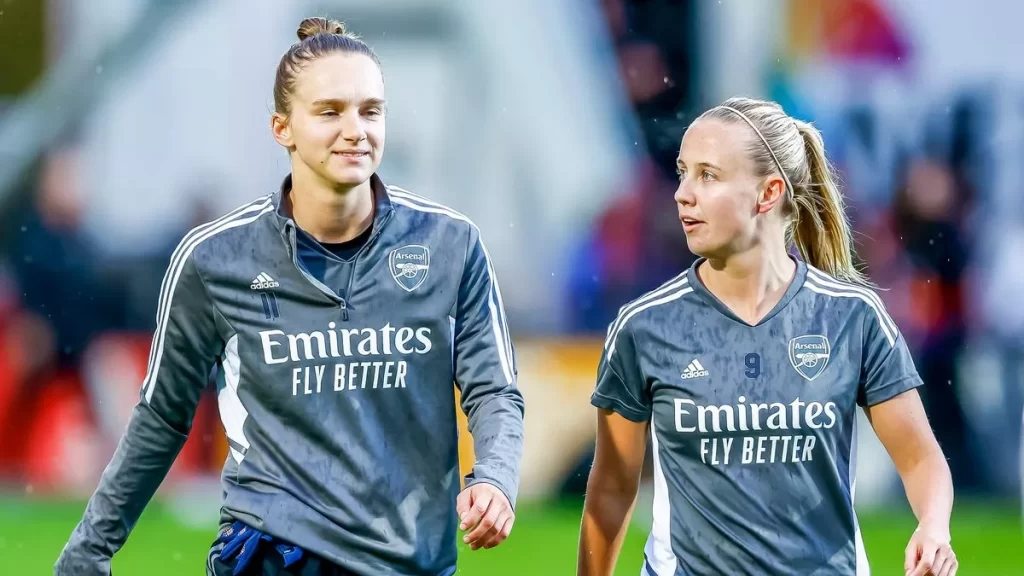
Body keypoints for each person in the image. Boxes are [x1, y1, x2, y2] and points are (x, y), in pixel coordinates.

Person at [55, 17, 524, 576]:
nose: (356, 129)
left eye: (370, 111)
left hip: (408, 560)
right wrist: (88, 552)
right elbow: (162, 416)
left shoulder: (453, 246)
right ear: (283, 127)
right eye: (330, 111)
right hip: (271, 552)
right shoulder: (215, 259)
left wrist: (494, 477)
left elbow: (495, 390)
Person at [577, 97, 957, 576]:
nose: (682, 193)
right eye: (682, 172)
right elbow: (610, 491)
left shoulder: (852, 317)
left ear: (769, 192)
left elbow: (920, 457)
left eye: (708, 176)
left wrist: (933, 526)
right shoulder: (644, 327)